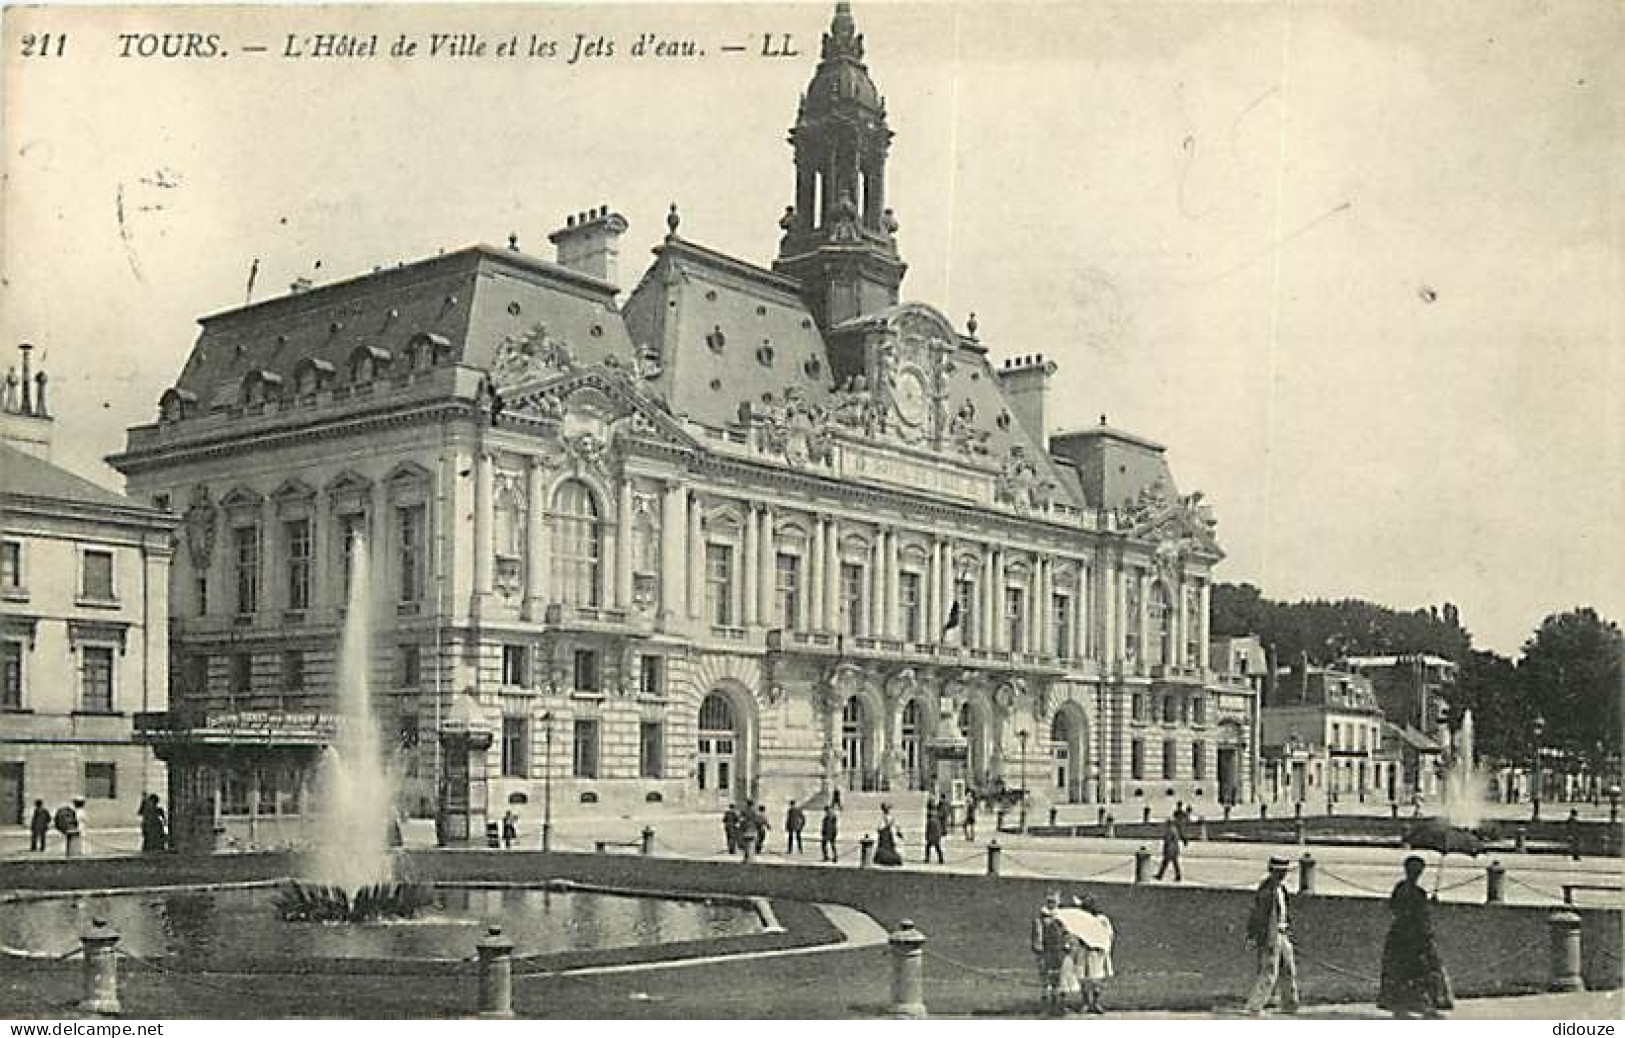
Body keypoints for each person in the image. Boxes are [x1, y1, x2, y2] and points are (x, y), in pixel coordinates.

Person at [1378, 855, 1454, 1018]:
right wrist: (1429, 904)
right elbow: (1421, 916)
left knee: (1400, 971)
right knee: (1422, 970)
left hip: (1399, 934)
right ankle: (1424, 1006)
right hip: (1415, 936)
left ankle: (1400, 1007)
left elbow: (1393, 907)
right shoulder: (1419, 893)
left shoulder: (1399, 888)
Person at [1243, 856, 1300, 1015]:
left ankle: (1290, 1004)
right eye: (1280, 872)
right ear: (1273, 872)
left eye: (1284, 872)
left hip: (1282, 934)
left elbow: (1284, 912)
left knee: (1288, 969)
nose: (1283, 875)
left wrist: (1287, 928)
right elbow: (1257, 916)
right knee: (1269, 971)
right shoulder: (1266, 891)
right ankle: (1254, 1006)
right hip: (1270, 935)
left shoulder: (1281, 889)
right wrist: (1253, 936)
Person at [1056, 892, 1114, 1015]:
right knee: (1083, 977)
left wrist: (1101, 943)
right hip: (1084, 950)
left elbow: (1108, 934)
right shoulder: (1080, 919)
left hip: (1097, 951)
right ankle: (1086, 1002)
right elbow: (1073, 933)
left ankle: (1096, 1002)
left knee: (1097, 978)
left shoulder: (1102, 919)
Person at [1030, 892, 1069, 1014]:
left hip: (1059, 951)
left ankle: (1059, 1005)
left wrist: (1066, 944)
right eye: (1049, 901)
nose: (1052, 904)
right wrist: (1038, 947)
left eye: (1054, 901)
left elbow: (1066, 934)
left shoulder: (1062, 918)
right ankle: (1046, 1007)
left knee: (1059, 979)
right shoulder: (1040, 919)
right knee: (1046, 980)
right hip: (1046, 952)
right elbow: (1037, 936)